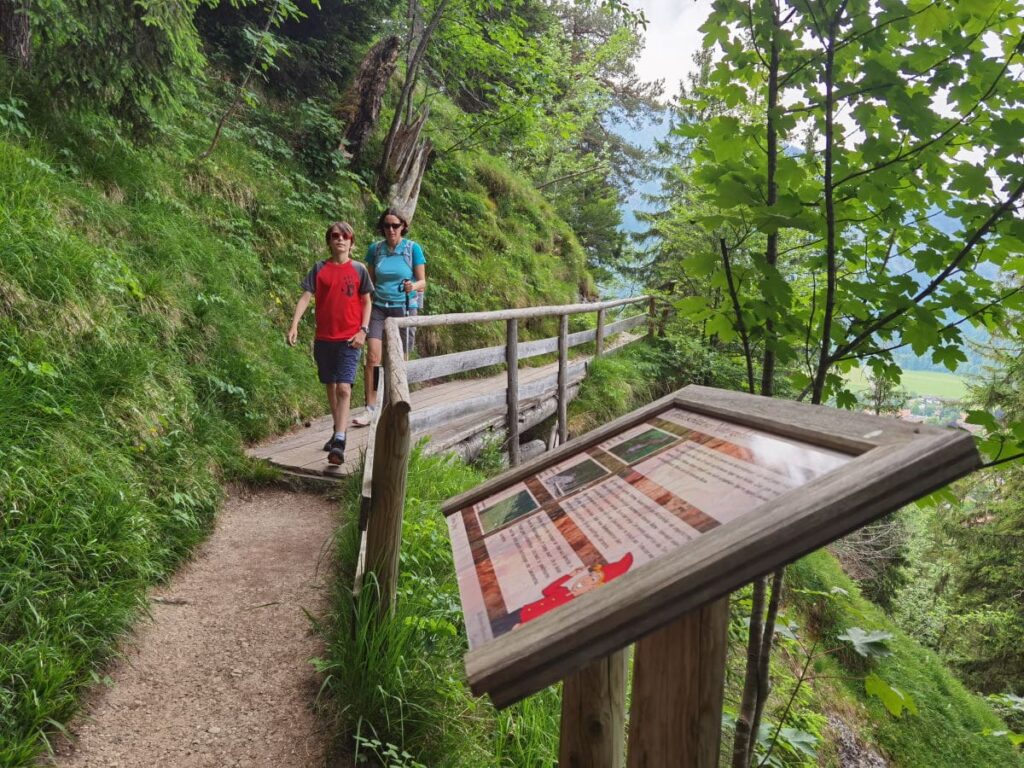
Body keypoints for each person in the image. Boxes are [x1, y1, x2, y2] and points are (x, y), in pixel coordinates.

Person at [287, 221, 373, 466]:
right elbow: (306, 297)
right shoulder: (319, 269)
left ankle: (339, 438)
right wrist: (294, 324)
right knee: (331, 385)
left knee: (344, 388)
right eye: (336, 236)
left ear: (351, 242)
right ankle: (338, 426)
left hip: (350, 339)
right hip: (324, 339)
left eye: (345, 236)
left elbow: (367, 302)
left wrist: (363, 330)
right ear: (329, 241)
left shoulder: (359, 270)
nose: (340, 240)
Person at [351, 207, 427, 427]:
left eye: (395, 225)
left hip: (404, 309)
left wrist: (413, 285)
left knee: (399, 360)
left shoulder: (413, 249)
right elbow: (369, 282)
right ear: (382, 228)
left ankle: (397, 404)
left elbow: (423, 282)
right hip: (379, 308)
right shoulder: (375, 250)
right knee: (373, 358)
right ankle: (370, 408)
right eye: (387, 225)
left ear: (403, 226)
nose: (391, 229)